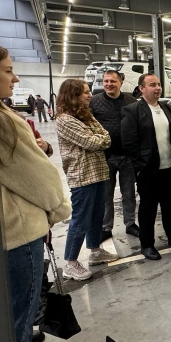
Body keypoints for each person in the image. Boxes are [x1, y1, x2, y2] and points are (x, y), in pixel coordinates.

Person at [0, 44, 71, 342]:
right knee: (19, 327)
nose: (16, 78)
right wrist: (59, 209)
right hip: (19, 237)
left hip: (4, 236)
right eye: (8, 70)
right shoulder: (1, 122)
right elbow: (41, 180)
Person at [56, 79, 119, 281]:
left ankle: (95, 251)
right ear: (72, 96)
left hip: (98, 172)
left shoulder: (86, 115)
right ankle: (70, 263)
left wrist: (98, 138)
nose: (90, 95)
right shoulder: (64, 120)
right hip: (82, 176)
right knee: (81, 218)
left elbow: (106, 137)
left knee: (96, 215)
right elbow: (91, 142)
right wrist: (98, 139)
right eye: (85, 92)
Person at [121, 74, 171, 261]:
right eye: (152, 85)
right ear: (142, 89)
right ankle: (147, 244)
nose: (157, 88)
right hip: (148, 170)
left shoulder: (167, 108)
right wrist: (140, 166)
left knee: (169, 205)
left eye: (158, 84)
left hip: (170, 166)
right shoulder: (132, 110)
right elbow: (129, 142)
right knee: (148, 209)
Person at [89, 69, 139, 242]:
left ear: (121, 83)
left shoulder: (131, 101)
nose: (109, 84)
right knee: (106, 195)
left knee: (129, 193)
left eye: (113, 81)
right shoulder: (94, 102)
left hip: (127, 157)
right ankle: (106, 227)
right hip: (105, 157)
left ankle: (130, 223)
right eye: (106, 81)